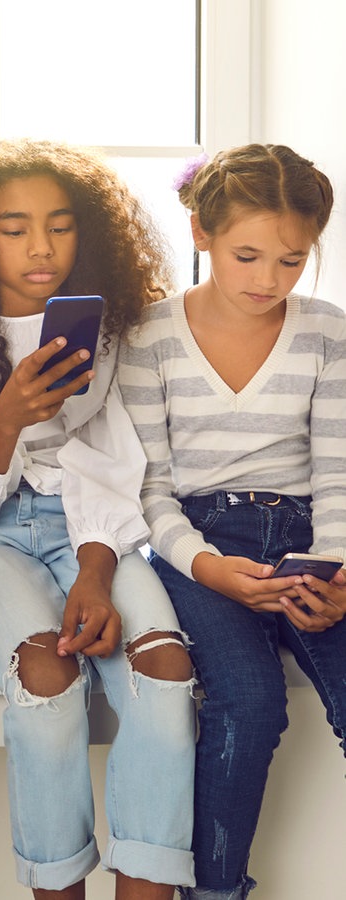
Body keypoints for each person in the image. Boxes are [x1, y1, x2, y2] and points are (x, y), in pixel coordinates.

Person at [0, 138, 196, 899]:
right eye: (14, 227)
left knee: (165, 669)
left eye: (59, 225)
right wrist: (8, 418)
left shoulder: (107, 327)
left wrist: (94, 570)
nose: (41, 246)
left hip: (94, 533)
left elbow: (113, 457)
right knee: (48, 682)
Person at [117, 143, 346, 898]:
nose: (268, 280)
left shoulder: (326, 333)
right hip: (201, 550)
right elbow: (148, 491)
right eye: (248, 255)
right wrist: (208, 567)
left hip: (312, 545)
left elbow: (338, 473)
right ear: (201, 233)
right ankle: (214, 891)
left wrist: (337, 570)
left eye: (292, 260)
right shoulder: (149, 337)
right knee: (247, 704)